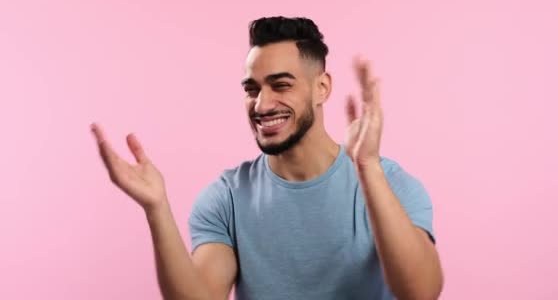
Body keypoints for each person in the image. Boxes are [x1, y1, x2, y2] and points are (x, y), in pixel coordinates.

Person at [91, 16, 443, 300]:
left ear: (322, 88)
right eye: (252, 89)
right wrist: (157, 209)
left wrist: (367, 168)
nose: (262, 104)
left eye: (281, 84)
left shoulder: (391, 183)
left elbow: (421, 292)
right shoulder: (227, 197)